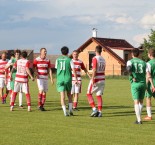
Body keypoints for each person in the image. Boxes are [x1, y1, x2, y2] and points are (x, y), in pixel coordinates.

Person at [127, 48, 147, 124]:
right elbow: (147, 72)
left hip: (135, 84)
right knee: (141, 101)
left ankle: (139, 120)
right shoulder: (144, 62)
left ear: (132, 54)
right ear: (139, 54)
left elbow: (128, 69)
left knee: (136, 101)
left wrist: (132, 76)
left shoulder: (130, 61)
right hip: (143, 83)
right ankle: (138, 118)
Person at [55, 46, 78, 116]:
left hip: (60, 79)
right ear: (68, 52)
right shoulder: (69, 60)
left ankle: (65, 111)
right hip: (68, 79)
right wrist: (76, 79)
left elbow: (56, 68)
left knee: (62, 96)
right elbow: (73, 70)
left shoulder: (57, 60)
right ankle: (70, 110)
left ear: (61, 52)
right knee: (69, 95)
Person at [86, 45, 106, 117]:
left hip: (96, 78)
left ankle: (94, 109)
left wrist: (93, 79)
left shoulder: (95, 58)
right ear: (101, 51)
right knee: (98, 95)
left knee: (88, 94)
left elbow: (94, 69)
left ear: (95, 51)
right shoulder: (103, 59)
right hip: (103, 78)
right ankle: (100, 112)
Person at [144, 49, 155, 120]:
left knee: (148, 98)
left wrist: (146, 84)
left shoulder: (148, 63)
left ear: (150, 55)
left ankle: (149, 116)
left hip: (152, 83)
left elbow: (148, 75)